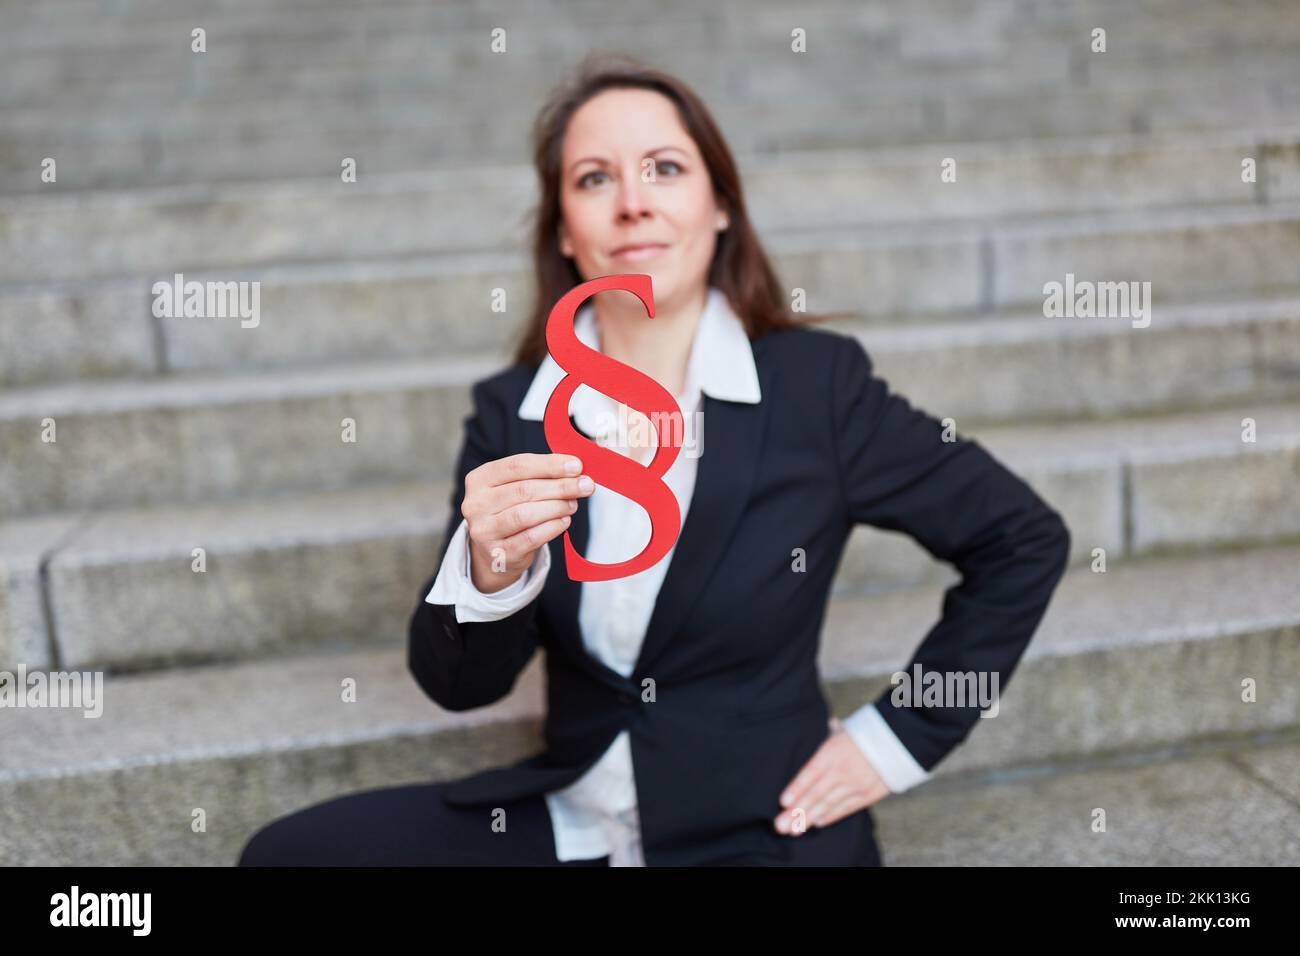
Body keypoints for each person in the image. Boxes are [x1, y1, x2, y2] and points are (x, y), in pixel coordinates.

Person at [237, 54, 1071, 867]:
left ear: (719, 207)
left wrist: (892, 742)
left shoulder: (816, 386)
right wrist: (487, 573)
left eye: (665, 169)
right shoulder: (513, 408)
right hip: (574, 817)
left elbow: (1022, 538)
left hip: (763, 828)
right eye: (595, 179)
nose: (633, 204)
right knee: (288, 856)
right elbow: (458, 686)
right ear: (566, 229)